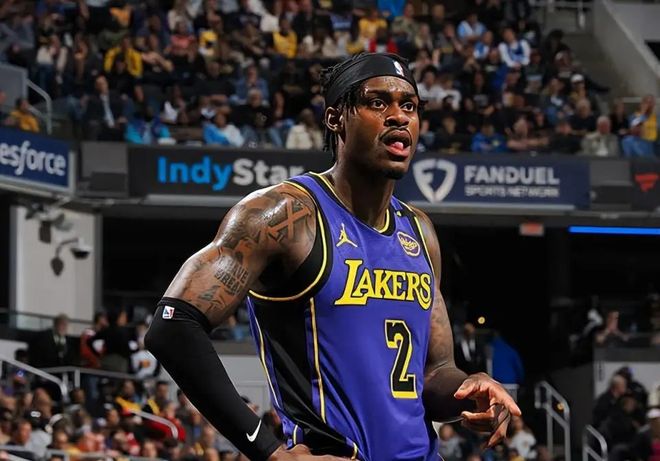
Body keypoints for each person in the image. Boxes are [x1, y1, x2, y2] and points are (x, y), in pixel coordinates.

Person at [145, 52, 521, 461]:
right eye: (377, 102)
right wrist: (270, 452)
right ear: (335, 118)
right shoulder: (283, 215)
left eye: (409, 106)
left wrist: (470, 389)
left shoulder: (420, 231)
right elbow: (173, 326)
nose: (398, 116)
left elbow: (434, 374)